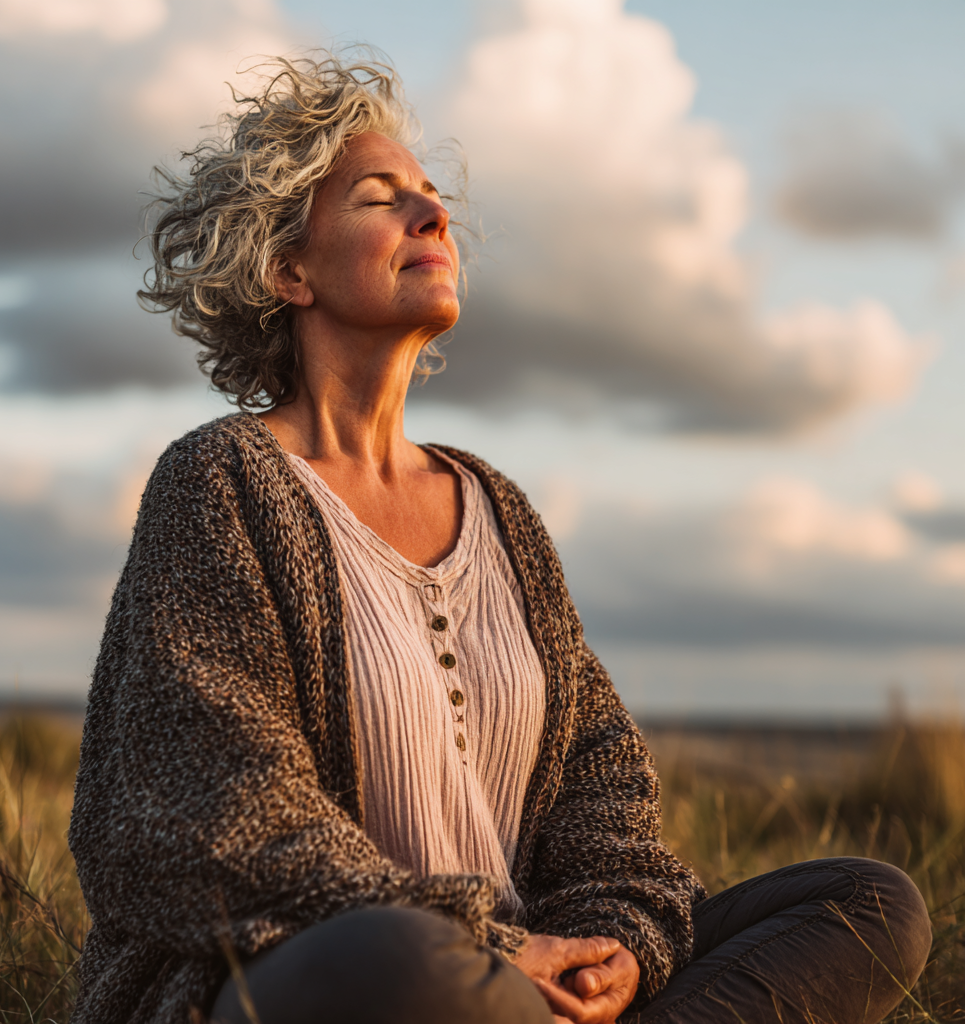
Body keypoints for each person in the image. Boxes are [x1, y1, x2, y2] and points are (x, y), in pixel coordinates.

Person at [68, 55, 931, 1024]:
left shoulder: (500, 511)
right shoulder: (219, 482)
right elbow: (217, 811)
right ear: (287, 269)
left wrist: (620, 949)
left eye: (432, 199)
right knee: (402, 960)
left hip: (522, 974)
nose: (431, 217)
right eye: (380, 199)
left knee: (867, 905)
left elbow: (598, 786)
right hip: (326, 971)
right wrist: (478, 938)